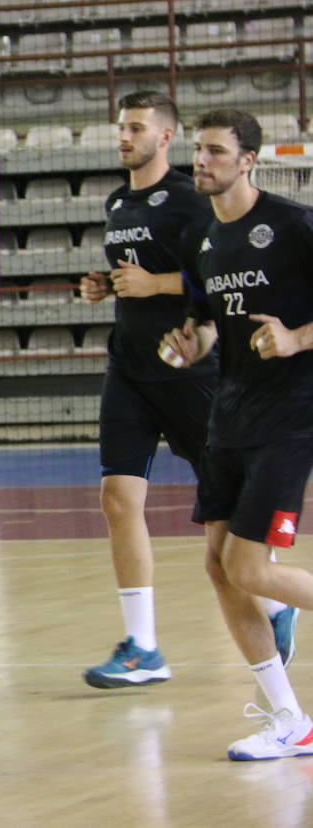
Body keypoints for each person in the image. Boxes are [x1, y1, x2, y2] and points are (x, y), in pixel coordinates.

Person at [78, 92, 298, 688]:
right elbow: (170, 282)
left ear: (165, 136)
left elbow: (203, 274)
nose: (124, 136)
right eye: (120, 126)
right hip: (132, 365)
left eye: (136, 127)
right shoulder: (119, 201)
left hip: (197, 378)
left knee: (228, 531)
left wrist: (155, 286)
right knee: (118, 499)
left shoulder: (192, 202)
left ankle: (276, 600)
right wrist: (108, 285)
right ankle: (143, 647)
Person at [159, 109, 313, 760]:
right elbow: (209, 320)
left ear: (248, 160)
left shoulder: (292, 224)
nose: (203, 162)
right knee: (221, 571)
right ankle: (291, 720)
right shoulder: (201, 239)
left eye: (217, 152)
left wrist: (298, 338)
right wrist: (193, 344)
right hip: (231, 413)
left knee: (249, 567)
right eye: (198, 151)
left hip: (292, 413)